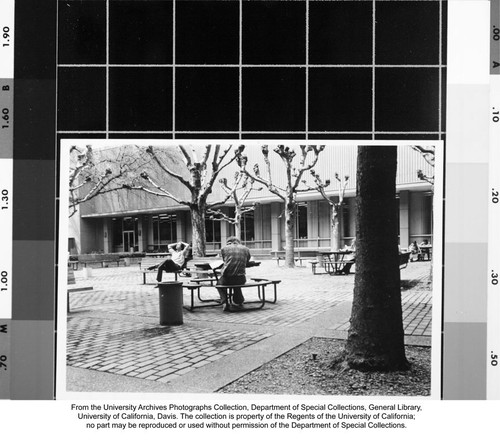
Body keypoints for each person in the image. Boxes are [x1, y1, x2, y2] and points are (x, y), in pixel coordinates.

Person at [217, 236, 251, 312]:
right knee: (237, 284)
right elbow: (247, 261)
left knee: (219, 285)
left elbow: (224, 260)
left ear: (228, 242)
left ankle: (225, 302)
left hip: (227, 278)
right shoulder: (245, 249)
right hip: (241, 278)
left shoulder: (224, 249)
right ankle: (239, 300)